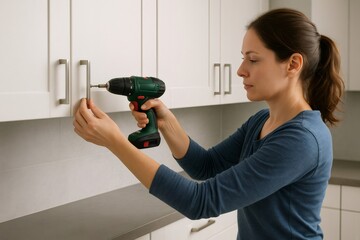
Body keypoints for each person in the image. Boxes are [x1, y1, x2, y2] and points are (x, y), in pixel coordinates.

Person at [73, 8, 344, 239]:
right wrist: (167, 123)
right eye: (243, 58)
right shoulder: (264, 121)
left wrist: (115, 141)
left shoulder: (302, 139)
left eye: (253, 59)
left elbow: (201, 201)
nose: (240, 70)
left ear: (293, 64)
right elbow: (207, 166)